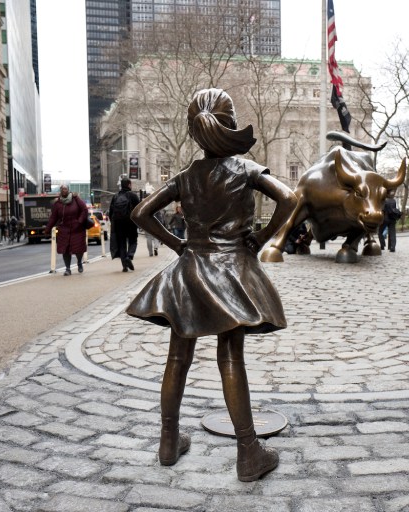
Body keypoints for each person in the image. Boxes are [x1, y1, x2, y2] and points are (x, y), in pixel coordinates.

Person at [126, 88, 296, 481]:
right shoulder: (246, 169)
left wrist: (177, 245)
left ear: (194, 131)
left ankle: (168, 442)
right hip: (231, 271)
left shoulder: (186, 177)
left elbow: (140, 212)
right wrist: (263, 237)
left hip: (188, 271)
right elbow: (289, 198)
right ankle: (248, 452)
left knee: (177, 358)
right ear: (230, 124)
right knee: (230, 357)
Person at [44, 185, 89, 275]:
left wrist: (79, 221)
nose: (64, 190)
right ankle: (68, 269)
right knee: (65, 250)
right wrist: (48, 228)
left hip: (77, 229)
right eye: (62, 189)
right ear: (60, 191)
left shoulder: (76, 199)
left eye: (65, 189)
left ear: (68, 190)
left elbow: (84, 210)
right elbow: (53, 217)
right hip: (64, 229)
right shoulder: (58, 203)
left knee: (78, 249)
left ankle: (79, 262)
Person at [109, 178, 141, 271]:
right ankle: (129, 256)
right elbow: (139, 210)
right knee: (133, 241)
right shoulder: (133, 196)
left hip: (119, 224)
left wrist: (114, 223)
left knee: (122, 244)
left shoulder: (115, 196)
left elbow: (111, 212)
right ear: (129, 185)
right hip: (131, 223)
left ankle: (124, 266)